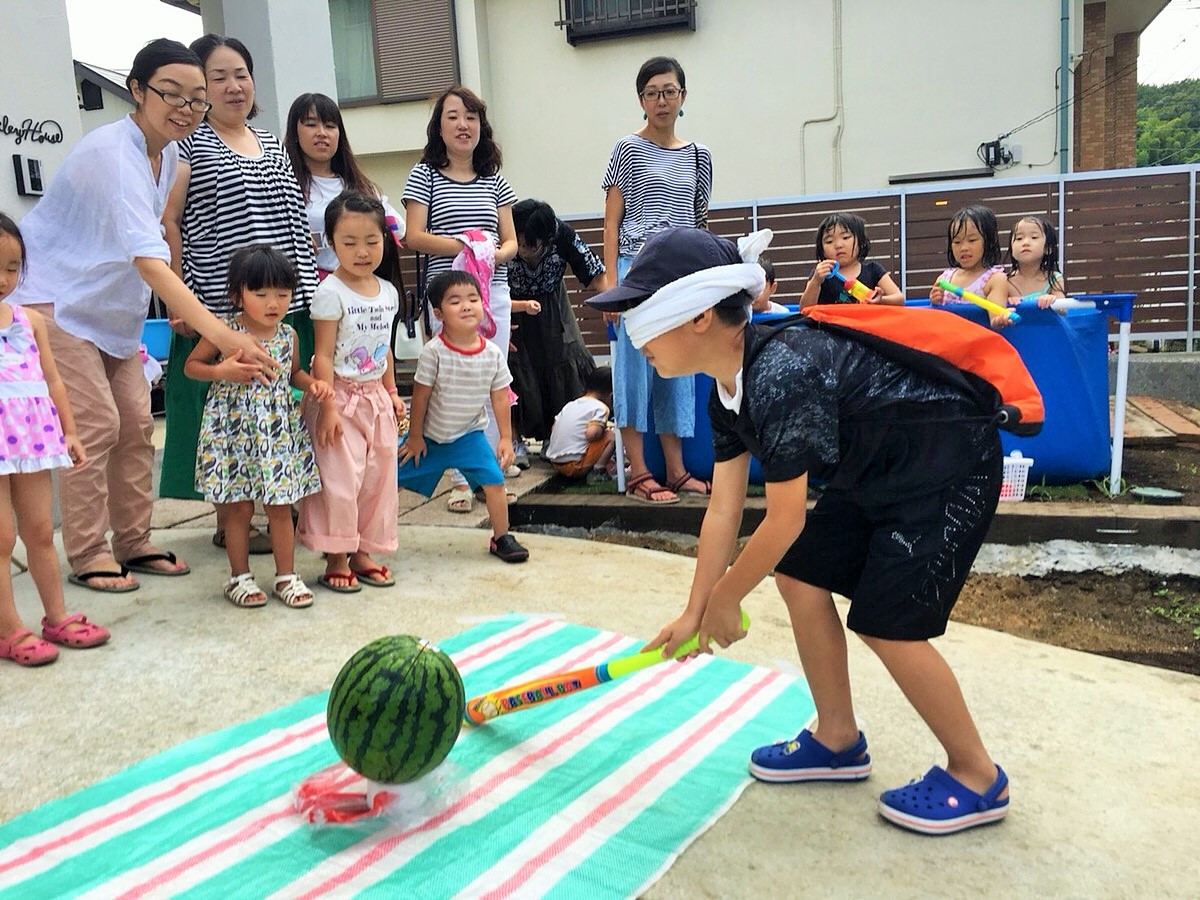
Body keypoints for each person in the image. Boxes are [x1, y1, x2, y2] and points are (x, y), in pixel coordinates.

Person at [590, 226, 1010, 837]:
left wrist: (728, 598)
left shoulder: (782, 373)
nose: (632, 337)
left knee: (888, 623)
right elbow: (723, 512)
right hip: (879, 468)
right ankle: (837, 737)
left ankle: (977, 776)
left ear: (699, 315)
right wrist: (695, 609)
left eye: (641, 316)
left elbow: (785, 518)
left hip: (945, 464)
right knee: (800, 575)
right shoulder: (727, 390)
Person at [11, 38, 276, 593]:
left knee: (135, 425)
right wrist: (221, 332)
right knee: (97, 426)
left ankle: (132, 540)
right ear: (137, 90)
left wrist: (184, 301)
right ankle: (87, 552)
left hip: (112, 311)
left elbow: (160, 237)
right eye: (171, 94)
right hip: (56, 302)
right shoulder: (112, 152)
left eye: (196, 98)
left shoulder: (172, 153)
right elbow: (148, 260)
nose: (187, 107)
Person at [160, 34, 319, 555]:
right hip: (218, 305)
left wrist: (308, 295)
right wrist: (179, 296)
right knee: (222, 412)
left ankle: (281, 501)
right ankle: (230, 512)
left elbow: (294, 221)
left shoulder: (272, 141)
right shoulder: (188, 144)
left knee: (279, 405)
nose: (233, 87)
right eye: (219, 78)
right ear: (201, 90)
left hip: (283, 304)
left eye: (241, 75)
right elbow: (171, 221)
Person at [185, 245, 326, 608]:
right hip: (233, 432)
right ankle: (239, 577)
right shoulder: (224, 332)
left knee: (281, 506)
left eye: (282, 293)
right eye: (260, 293)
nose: (273, 302)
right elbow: (191, 367)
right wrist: (221, 371)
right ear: (238, 295)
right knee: (239, 509)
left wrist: (313, 384)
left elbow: (292, 372)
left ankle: (286, 576)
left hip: (277, 432)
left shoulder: (288, 335)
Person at [602, 56, 713, 505]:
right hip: (635, 271)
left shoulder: (700, 155)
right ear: (641, 100)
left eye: (669, 91)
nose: (661, 100)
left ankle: (677, 470)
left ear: (683, 96)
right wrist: (611, 282)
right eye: (652, 93)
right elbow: (610, 223)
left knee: (677, 372)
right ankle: (639, 473)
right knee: (633, 373)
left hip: (681, 278)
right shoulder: (626, 149)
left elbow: (700, 223)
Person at [0, 214, 110, 665]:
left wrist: (69, 431)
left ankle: (56, 615)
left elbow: (54, 380)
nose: (4, 277)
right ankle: (9, 628)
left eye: (12, 267)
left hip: (31, 438)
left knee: (42, 531)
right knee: (1, 539)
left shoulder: (30, 321)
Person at [403, 86, 518, 514]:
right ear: (440, 126)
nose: (463, 124)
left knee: (493, 379)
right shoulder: (424, 174)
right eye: (453, 116)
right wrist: (464, 246)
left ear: (481, 126)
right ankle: (457, 479)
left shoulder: (495, 179)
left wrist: (490, 254)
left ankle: (489, 469)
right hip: (446, 293)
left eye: (470, 116)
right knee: (448, 383)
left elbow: (509, 241)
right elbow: (412, 235)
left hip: (493, 292)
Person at [297, 191, 405, 593]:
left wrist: (392, 392)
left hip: (375, 397)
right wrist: (326, 408)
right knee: (341, 479)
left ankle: (363, 551)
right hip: (338, 398)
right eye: (349, 242)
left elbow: (385, 348)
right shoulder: (329, 292)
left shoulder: (388, 292)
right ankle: (336, 557)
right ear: (330, 242)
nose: (362, 252)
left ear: (384, 240)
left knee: (377, 477)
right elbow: (322, 355)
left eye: (371, 241)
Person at [397, 271, 529, 564]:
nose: (467, 306)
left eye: (473, 299)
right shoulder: (434, 353)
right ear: (438, 313)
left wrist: (506, 438)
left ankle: (501, 537)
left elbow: (500, 397)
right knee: (389, 481)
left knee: (494, 482)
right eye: (455, 301)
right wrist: (415, 436)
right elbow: (420, 396)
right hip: (429, 437)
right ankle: (365, 536)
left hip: (470, 437)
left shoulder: (492, 353)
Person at [507, 198, 606, 448]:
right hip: (510, 303)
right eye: (518, 243)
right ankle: (513, 437)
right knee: (515, 365)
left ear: (547, 239)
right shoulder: (502, 234)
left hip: (551, 299)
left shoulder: (563, 235)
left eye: (530, 246)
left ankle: (559, 433)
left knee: (563, 357)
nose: (522, 251)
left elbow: (595, 273)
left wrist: (612, 308)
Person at [283, 92, 406, 278]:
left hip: (360, 288)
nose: (322, 133)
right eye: (311, 124)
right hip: (305, 288)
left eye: (330, 126)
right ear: (295, 131)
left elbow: (399, 228)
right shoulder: (283, 182)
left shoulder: (359, 185)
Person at [929, 205, 1013, 329]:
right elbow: (935, 318)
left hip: (977, 343)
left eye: (972, 240)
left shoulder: (995, 279)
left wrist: (1000, 319)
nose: (964, 248)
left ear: (989, 241)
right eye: (957, 242)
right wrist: (934, 301)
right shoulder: (944, 278)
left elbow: (995, 319)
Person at [799, 213, 903, 308]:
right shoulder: (821, 275)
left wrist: (881, 300)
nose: (838, 245)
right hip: (830, 327)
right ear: (822, 250)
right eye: (829, 241)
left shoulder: (873, 270)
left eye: (845, 237)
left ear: (860, 242)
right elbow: (804, 308)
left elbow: (899, 299)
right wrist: (816, 281)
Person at [543, 366, 617, 481]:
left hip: (556, 462)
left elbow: (554, 428)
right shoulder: (600, 408)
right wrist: (603, 430)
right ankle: (598, 472)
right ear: (611, 395)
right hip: (575, 465)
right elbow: (591, 434)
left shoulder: (570, 405)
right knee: (611, 436)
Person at [1007, 216, 1065, 309]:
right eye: (1019, 238)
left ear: (1048, 248)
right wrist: (1006, 302)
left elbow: (1063, 309)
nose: (1025, 242)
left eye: (1034, 237)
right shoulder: (1004, 281)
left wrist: (1053, 299)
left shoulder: (1054, 278)